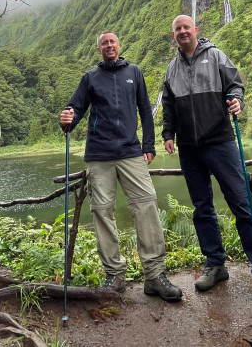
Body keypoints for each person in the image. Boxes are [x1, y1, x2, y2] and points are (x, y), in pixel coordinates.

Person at [161, 15, 252, 311]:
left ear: (195, 30)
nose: (182, 32)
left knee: (242, 204)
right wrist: (168, 134)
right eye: (177, 29)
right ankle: (215, 265)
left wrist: (236, 100)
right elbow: (168, 105)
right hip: (188, 147)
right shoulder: (171, 68)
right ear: (174, 34)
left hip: (220, 141)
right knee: (202, 208)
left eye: (186, 27)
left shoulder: (216, 56)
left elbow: (235, 86)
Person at [60, 30, 182, 302]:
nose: (109, 45)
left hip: (130, 151)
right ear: (99, 49)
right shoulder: (90, 77)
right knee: (102, 211)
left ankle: (154, 275)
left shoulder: (134, 72)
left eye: (112, 41)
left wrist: (148, 145)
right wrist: (67, 120)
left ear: (119, 45)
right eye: (104, 43)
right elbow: (75, 109)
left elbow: (145, 109)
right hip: (98, 154)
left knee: (146, 204)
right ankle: (114, 275)